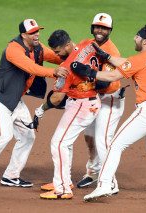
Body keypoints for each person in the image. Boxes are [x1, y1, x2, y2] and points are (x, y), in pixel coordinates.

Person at [70, 24, 146, 201]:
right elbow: (128, 64)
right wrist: (107, 56)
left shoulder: (138, 60)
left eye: (137, 36)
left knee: (115, 145)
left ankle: (104, 185)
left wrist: (88, 71)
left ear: (144, 41)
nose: (134, 39)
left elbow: (112, 76)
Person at [0, 19, 68, 189]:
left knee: (27, 135)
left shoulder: (38, 47)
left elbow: (57, 57)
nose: (36, 34)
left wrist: (74, 58)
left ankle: (11, 176)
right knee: (3, 136)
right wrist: (53, 72)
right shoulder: (13, 49)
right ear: (23, 35)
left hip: (15, 100)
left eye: (37, 31)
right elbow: (31, 68)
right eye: (32, 32)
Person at [36, 29, 102, 199]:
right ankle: (63, 180)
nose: (56, 55)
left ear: (67, 45)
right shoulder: (87, 44)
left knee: (58, 143)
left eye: (58, 51)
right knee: (66, 142)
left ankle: (63, 188)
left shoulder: (66, 67)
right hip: (92, 100)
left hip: (82, 105)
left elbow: (57, 99)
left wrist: (41, 110)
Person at [74, 13, 125, 191]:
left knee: (103, 140)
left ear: (110, 30)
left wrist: (84, 75)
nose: (99, 31)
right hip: (93, 97)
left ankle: (110, 182)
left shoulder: (112, 51)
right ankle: (93, 172)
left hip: (109, 98)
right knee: (89, 136)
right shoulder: (86, 44)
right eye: (97, 26)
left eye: (103, 28)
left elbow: (105, 82)